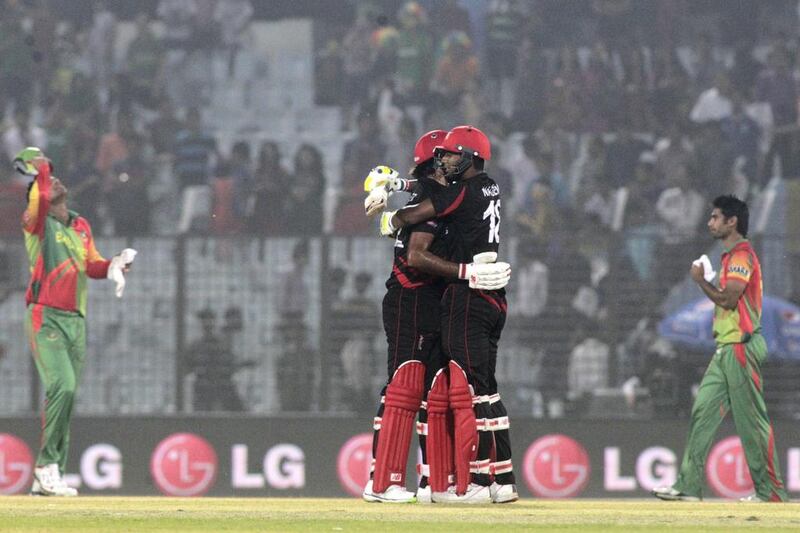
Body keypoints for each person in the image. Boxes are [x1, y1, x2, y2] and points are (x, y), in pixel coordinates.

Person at [361, 130, 510, 504]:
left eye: (450, 156)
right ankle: (383, 481)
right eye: (439, 158)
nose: (445, 163)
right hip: (411, 297)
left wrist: (395, 196)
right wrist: (464, 272)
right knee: (405, 385)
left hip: (434, 299)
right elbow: (415, 256)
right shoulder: (436, 198)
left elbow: (424, 190)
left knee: (441, 391)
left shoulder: (444, 196)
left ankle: (438, 482)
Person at [653, 195, 789, 503]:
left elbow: (729, 300)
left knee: (752, 421)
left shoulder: (742, 255)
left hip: (741, 348)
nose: (710, 222)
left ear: (732, 222)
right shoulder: (729, 258)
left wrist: (701, 282)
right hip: (726, 349)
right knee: (702, 412)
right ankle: (688, 485)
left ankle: (771, 492)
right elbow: (728, 298)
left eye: (715, 217)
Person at [18, 147, 135, 496]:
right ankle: (44, 467)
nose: (53, 182)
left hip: (76, 321)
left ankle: (51, 475)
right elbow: (39, 193)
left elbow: (92, 265)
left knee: (66, 398)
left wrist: (113, 264)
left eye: (55, 178)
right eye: (46, 182)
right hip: (45, 316)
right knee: (62, 387)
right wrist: (39, 167)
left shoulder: (81, 224)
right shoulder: (36, 224)